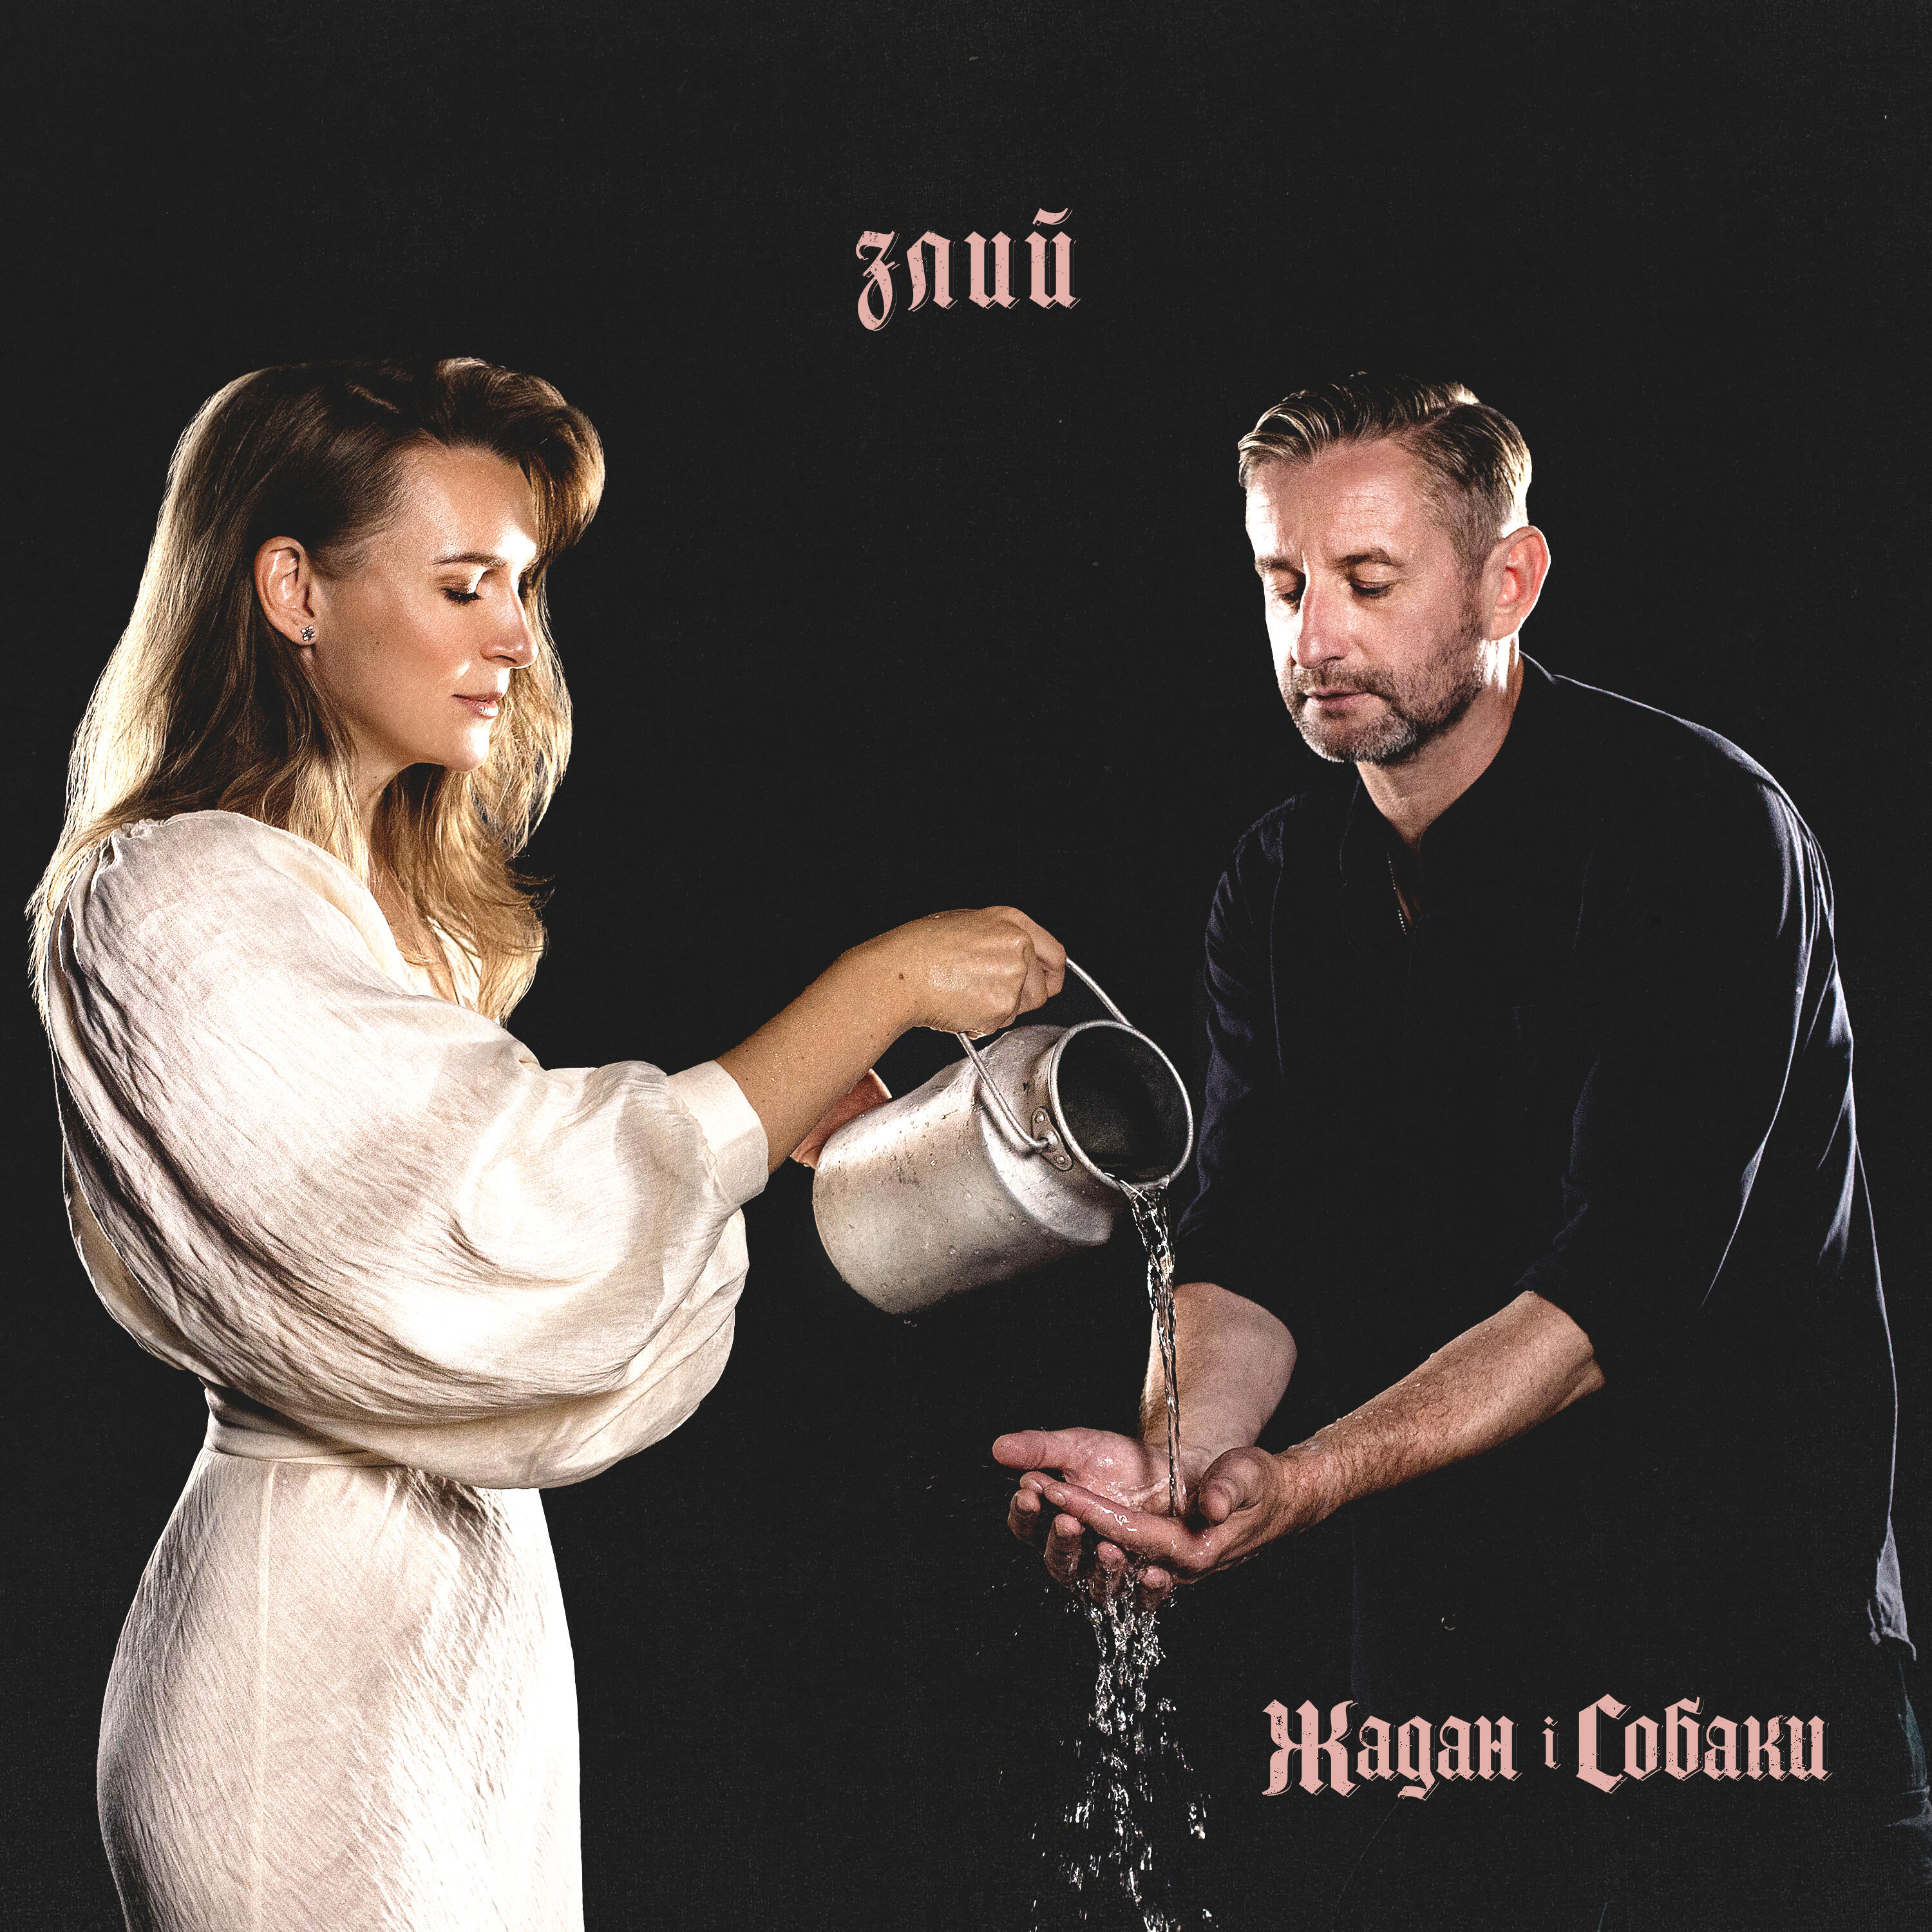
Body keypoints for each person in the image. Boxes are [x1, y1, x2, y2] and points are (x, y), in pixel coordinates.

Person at [32, 356, 1066, 1932]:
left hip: (461, 1659)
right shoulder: (170, 899)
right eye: (464, 585)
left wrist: (781, 1108)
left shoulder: (363, 912)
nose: (515, 636)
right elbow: (495, 1211)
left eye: (521, 585)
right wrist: (880, 990)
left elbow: (489, 1196)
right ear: (294, 590)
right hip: (297, 1690)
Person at [995, 377, 1929, 1927]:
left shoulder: (1700, 834)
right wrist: (1175, 1459)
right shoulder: (1277, 884)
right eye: (1284, 583)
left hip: (1740, 1696)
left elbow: (1618, 1292)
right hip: (1441, 1705)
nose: (1315, 636)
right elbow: (1248, 1247)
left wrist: (1304, 1480)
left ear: (1510, 581)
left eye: (1368, 582)